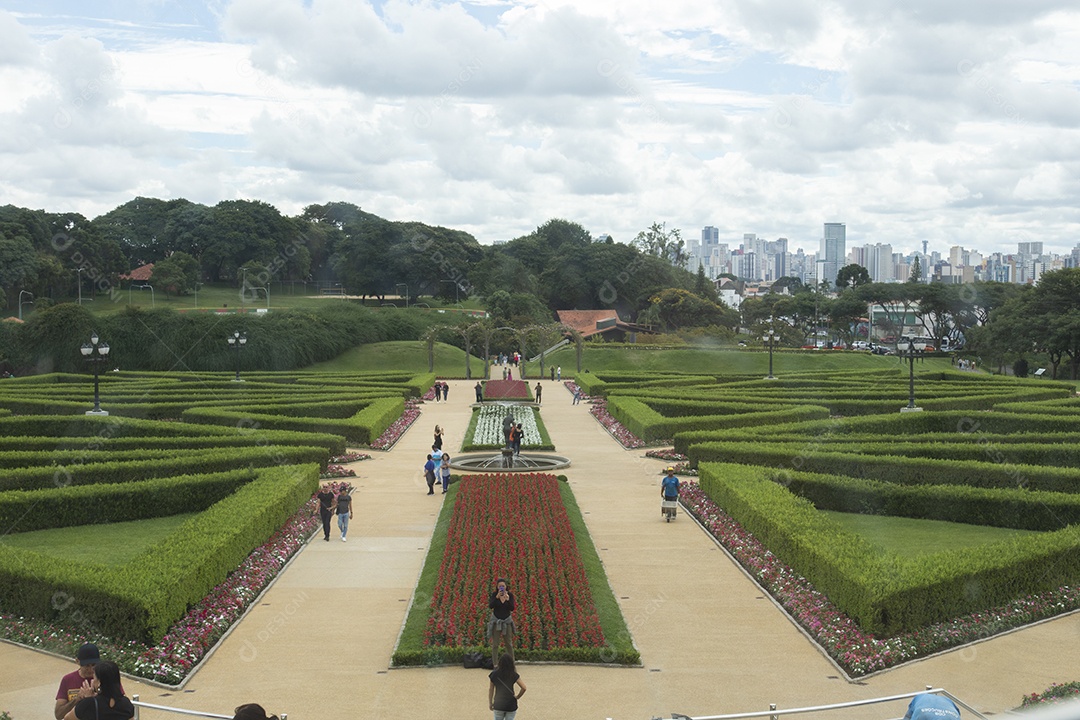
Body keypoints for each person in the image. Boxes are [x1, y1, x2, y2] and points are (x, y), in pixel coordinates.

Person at [64, 660, 133, 720]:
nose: (93, 681)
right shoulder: (126, 704)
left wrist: (86, 700)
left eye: (94, 678)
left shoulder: (88, 704)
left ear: (99, 682)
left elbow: (67, 718)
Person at [55, 643, 100, 720]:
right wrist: (77, 699)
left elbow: (119, 705)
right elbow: (59, 715)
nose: (90, 669)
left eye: (93, 665)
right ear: (77, 661)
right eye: (86, 665)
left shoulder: (106, 678)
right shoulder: (67, 679)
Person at [488, 653, 526, 720]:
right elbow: (523, 688)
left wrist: (490, 703)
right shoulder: (513, 674)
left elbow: (491, 690)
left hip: (499, 703)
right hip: (511, 704)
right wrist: (517, 697)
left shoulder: (494, 674)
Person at [487, 578, 516, 666]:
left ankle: (511, 663)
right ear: (497, 587)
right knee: (495, 644)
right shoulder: (494, 595)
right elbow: (491, 606)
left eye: (503, 586)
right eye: (500, 586)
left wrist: (507, 600)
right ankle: (495, 664)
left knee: (508, 644)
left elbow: (512, 608)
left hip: (507, 622)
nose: (501, 587)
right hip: (496, 622)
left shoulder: (510, 595)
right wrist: (497, 598)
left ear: (506, 586)